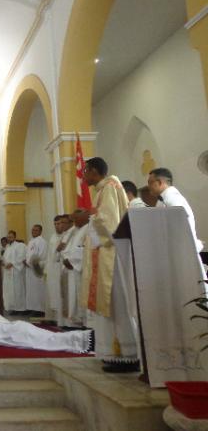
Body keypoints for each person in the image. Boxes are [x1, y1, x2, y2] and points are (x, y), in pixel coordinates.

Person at [80, 157, 133, 372]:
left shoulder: (110, 187)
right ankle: (112, 352)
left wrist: (92, 216)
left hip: (111, 258)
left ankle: (125, 354)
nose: (83, 176)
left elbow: (110, 224)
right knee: (108, 305)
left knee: (115, 304)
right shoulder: (104, 189)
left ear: (94, 171)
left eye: (85, 171)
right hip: (104, 256)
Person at [0, 305, 93, 354]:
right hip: (20, 328)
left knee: (49, 341)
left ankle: (84, 340)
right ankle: (83, 339)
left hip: (19, 336)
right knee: (50, 337)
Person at [148, 167, 203, 253]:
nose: (149, 187)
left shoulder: (172, 197)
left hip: (182, 249)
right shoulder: (163, 198)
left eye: (150, 183)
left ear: (159, 182)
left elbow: (179, 226)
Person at [61, 210, 89, 328]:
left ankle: (83, 321)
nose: (74, 222)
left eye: (75, 219)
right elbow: (69, 248)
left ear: (83, 217)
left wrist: (71, 261)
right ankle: (76, 320)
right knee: (74, 295)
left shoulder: (88, 229)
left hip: (80, 268)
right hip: (73, 268)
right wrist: (66, 259)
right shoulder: (77, 231)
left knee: (80, 294)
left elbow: (85, 249)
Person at [44, 216, 64, 323]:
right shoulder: (52, 237)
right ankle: (55, 318)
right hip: (53, 270)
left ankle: (62, 319)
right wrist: (46, 270)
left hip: (62, 268)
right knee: (53, 293)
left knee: (61, 293)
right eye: (55, 224)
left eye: (59, 223)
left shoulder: (66, 236)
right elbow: (49, 255)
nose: (57, 226)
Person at [1, 230, 27, 314]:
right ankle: (12, 307)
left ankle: (20, 308)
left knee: (18, 290)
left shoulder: (20, 246)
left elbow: (21, 257)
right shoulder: (8, 247)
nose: (9, 238)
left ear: (15, 237)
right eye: (8, 237)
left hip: (16, 272)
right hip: (8, 271)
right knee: (9, 290)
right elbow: (5, 258)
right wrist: (4, 263)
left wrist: (12, 264)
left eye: (11, 237)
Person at [24, 224, 47, 316]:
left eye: (36, 230)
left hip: (37, 269)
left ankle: (40, 310)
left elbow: (41, 255)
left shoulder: (42, 242)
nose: (33, 232)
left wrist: (29, 263)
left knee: (38, 289)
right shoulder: (31, 242)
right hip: (30, 270)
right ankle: (33, 308)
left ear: (40, 231)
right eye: (33, 230)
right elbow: (28, 255)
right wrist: (26, 261)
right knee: (31, 290)